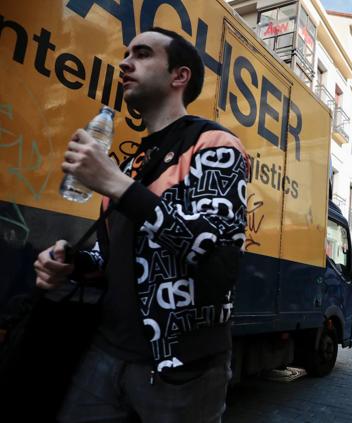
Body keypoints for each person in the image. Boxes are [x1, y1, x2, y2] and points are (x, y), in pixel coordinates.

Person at [33, 28, 248, 423]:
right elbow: (117, 255)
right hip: (106, 353)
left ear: (178, 77)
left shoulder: (214, 143)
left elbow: (214, 252)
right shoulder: (132, 163)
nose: (124, 63)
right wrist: (73, 262)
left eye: (142, 54)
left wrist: (117, 185)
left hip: (180, 368)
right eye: (126, 53)